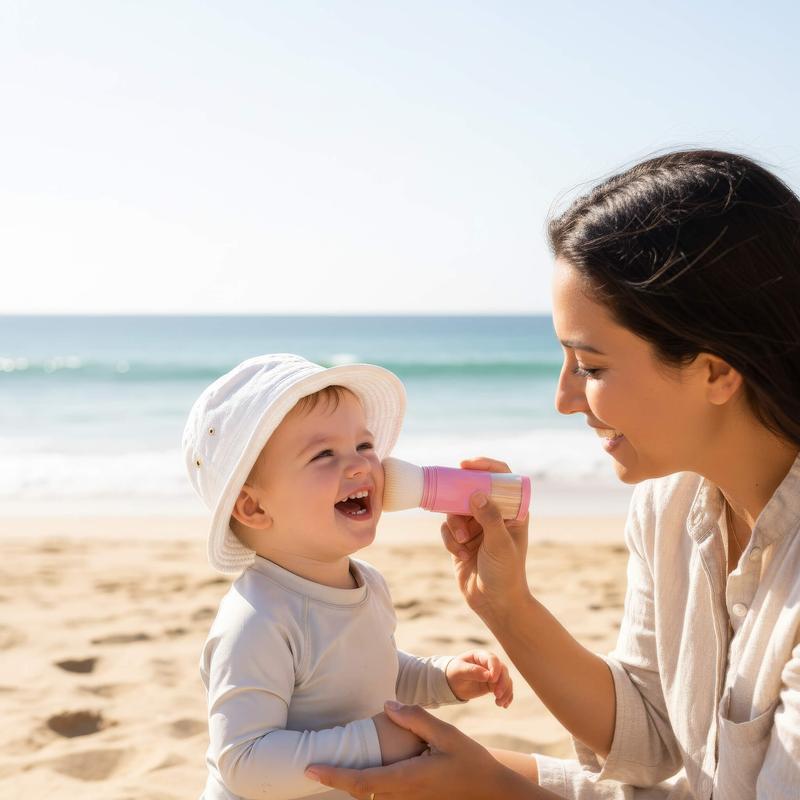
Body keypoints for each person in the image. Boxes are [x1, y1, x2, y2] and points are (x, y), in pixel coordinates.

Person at [305, 150, 800, 799]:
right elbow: (651, 740)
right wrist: (506, 603)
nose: (564, 399)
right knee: (380, 770)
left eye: (590, 367)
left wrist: (502, 790)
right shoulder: (670, 503)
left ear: (714, 371)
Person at [182, 353, 513, 800]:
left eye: (364, 446)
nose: (360, 466)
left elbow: (373, 674)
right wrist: (375, 743)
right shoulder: (258, 618)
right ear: (255, 508)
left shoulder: (368, 583)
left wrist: (441, 677)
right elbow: (245, 761)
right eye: (324, 454)